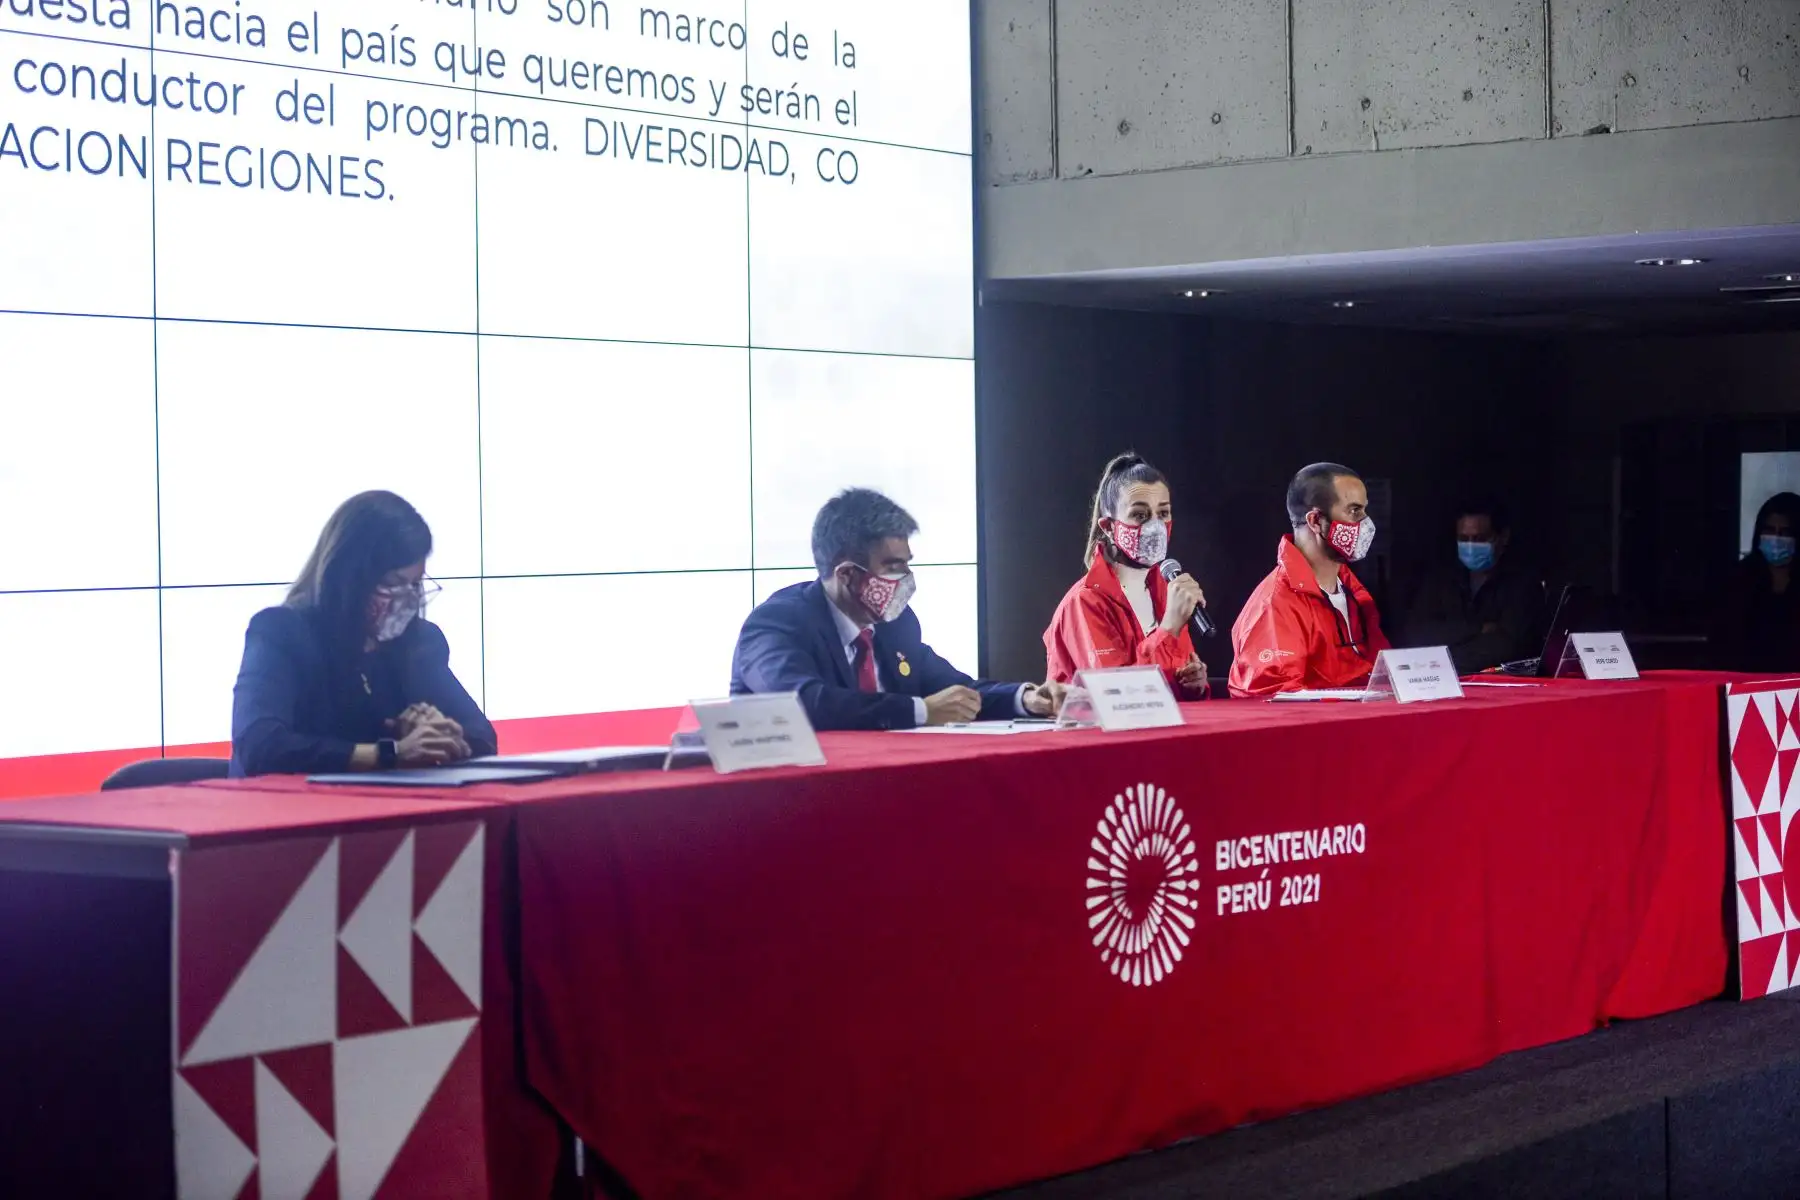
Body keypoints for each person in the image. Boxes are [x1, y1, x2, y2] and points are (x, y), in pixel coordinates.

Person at [731, 488, 1066, 730]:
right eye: (893, 567)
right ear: (847, 574)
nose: (906, 578)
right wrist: (918, 711)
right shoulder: (777, 623)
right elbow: (803, 703)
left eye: (907, 564)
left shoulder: (896, 623)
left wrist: (1025, 698)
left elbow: (952, 691)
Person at [230, 491, 495, 777]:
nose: (405, 598)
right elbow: (261, 746)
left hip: (389, 812)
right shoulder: (283, 631)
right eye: (390, 583)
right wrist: (390, 753)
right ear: (345, 576)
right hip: (289, 811)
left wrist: (444, 733)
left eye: (415, 585)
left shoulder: (419, 643)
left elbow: (482, 736)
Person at [1042, 452, 1210, 696]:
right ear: (1109, 527)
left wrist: (1194, 684)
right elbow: (1115, 695)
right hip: (1094, 732)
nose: (1155, 527)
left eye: (1163, 514)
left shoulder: (1166, 592)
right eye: (1139, 515)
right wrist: (1169, 627)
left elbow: (1169, 679)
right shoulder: (1085, 602)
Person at [1230, 462, 1390, 698]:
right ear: (1315, 521)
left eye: (1364, 510)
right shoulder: (1276, 604)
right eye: (1354, 511)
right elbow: (1273, 701)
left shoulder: (1353, 591)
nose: (1366, 523)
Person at [1399, 500, 1544, 674]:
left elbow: (1508, 647)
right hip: (1442, 683)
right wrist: (1477, 629)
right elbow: (1417, 632)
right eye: (1463, 539)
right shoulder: (1442, 578)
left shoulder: (1522, 583)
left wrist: (1444, 659)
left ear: (1503, 537)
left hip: (1502, 686)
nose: (1470, 546)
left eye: (1480, 539)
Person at [1712, 492, 1800, 673]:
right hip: (1746, 685)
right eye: (1769, 530)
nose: (1776, 539)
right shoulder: (1739, 579)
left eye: (1785, 532)